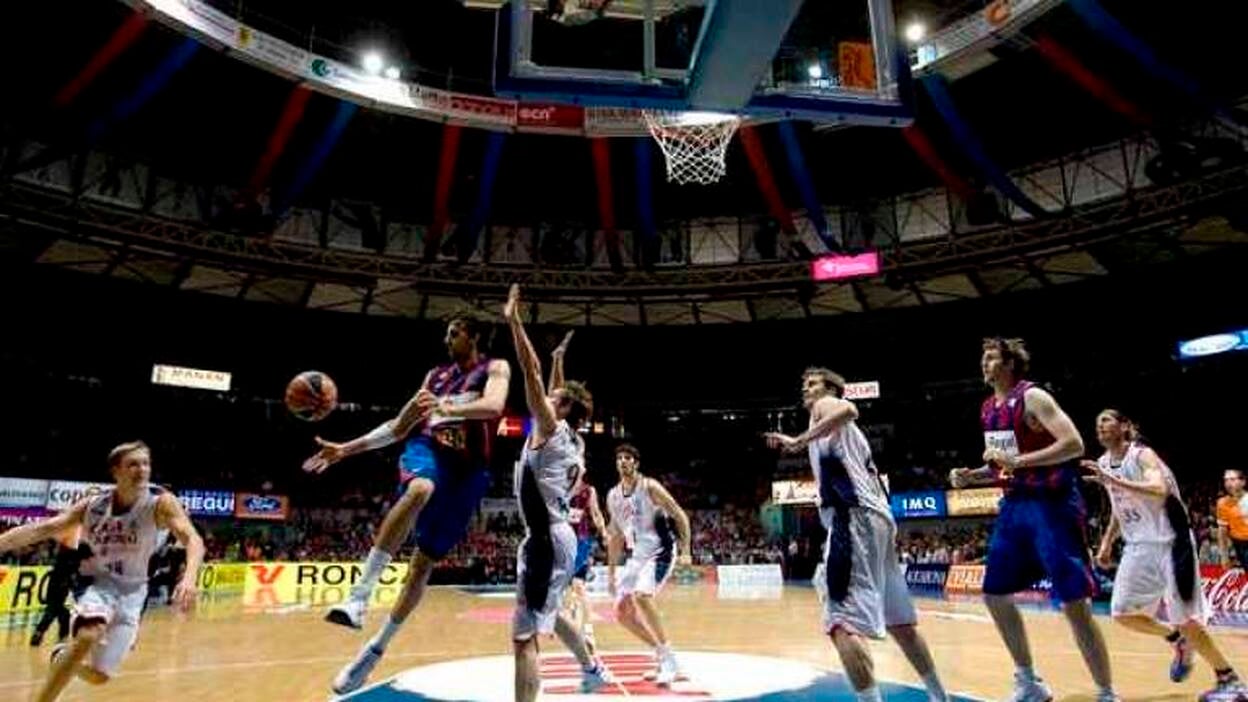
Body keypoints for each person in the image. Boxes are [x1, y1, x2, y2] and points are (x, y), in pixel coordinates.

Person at [311, 315, 511, 695]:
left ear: (474, 337)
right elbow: (399, 427)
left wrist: (445, 406)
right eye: (447, 334)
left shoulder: (494, 368)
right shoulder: (434, 376)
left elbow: (494, 405)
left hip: (469, 473)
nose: (447, 339)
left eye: (454, 333)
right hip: (428, 450)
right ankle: (358, 598)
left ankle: (374, 649)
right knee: (419, 488)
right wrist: (345, 450)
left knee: (422, 566)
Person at [766, 367, 948, 702]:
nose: (806, 389)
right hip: (879, 520)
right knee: (901, 624)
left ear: (831, 390)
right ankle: (940, 697)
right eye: (805, 384)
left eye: (812, 384)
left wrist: (798, 440)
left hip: (853, 518)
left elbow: (849, 408)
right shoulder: (842, 432)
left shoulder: (825, 406)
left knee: (840, 622)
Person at [950, 338, 1116, 702]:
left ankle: (1106, 692)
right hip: (1014, 506)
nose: (984, 363)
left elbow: (1073, 444)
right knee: (994, 594)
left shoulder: (1033, 397)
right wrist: (972, 476)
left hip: (1052, 505)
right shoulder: (988, 408)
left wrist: (1017, 463)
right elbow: (1004, 464)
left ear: (1010, 364)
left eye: (991, 357)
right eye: (983, 357)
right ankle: (1028, 682)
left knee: (1074, 604)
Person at [0, 441, 203, 702]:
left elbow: (193, 539)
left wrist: (189, 577)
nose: (142, 469)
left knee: (99, 676)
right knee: (88, 635)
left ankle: (62, 658)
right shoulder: (93, 505)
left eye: (146, 464)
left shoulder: (161, 502)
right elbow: (45, 528)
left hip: (134, 592)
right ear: (116, 471)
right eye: (133, 464)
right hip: (96, 582)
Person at [1084, 409, 1245, 700]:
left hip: (1172, 542)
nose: (1101, 426)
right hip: (1138, 546)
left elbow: (1158, 489)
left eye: (1107, 420)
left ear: (1124, 426)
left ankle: (1230, 680)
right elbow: (1121, 506)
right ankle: (1176, 639)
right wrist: (1107, 542)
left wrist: (1113, 480)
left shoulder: (1142, 455)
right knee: (1123, 613)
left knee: (1187, 620)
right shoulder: (1104, 463)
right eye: (1098, 423)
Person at [504, 284, 611, 701]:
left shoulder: (549, 428)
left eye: (556, 398)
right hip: (557, 536)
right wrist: (559, 361)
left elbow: (530, 373)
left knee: (523, 637)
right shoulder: (573, 439)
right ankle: (591, 667)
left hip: (547, 539)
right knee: (547, 611)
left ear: (562, 409)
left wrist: (514, 321)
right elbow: (553, 388)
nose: (549, 397)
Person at [605, 442, 692, 686]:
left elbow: (679, 514)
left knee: (642, 596)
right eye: (619, 458)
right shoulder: (613, 496)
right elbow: (615, 537)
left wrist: (686, 550)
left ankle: (669, 662)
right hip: (638, 557)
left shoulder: (649, 487)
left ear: (636, 463)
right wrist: (611, 573)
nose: (623, 461)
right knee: (622, 613)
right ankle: (664, 657)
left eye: (628, 458)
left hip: (660, 550)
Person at [30, 529, 91, 647]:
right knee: (55, 609)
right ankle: (45, 633)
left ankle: (58, 635)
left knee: (58, 609)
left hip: (58, 581)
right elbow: (84, 554)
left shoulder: (67, 548)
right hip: (62, 582)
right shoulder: (74, 549)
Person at [1215, 469, 1248, 568]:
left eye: (1232, 479)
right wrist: (1224, 556)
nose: (1228, 483)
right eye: (1226, 480)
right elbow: (1222, 532)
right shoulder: (1222, 503)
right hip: (1240, 546)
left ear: (1243, 482)